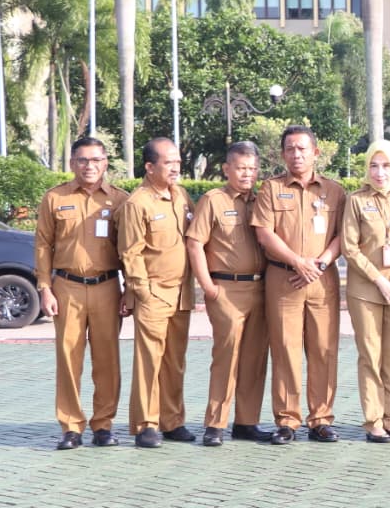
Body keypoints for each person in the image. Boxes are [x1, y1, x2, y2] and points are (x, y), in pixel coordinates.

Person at [251, 125, 346, 445]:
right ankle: (287, 420)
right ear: (282, 154)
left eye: (303, 148)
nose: (297, 154)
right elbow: (264, 233)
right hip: (284, 279)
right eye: (290, 149)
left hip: (322, 278)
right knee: (285, 350)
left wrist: (320, 262)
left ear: (315, 153)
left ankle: (321, 419)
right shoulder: (271, 188)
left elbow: (343, 235)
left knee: (323, 349)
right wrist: (297, 261)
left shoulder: (334, 191)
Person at [36, 137, 131, 450]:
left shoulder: (120, 200)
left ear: (105, 163)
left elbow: (129, 249)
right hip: (67, 288)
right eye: (83, 160)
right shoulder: (55, 198)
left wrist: (129, 290)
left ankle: (103, 425)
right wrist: (45, 288)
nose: (90, 166)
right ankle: (71, 427)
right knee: (68, 359)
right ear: (72, 163)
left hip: (107, 287)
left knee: (107, 361)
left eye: (96, 160)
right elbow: (43, 245)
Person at [185, 141, 272, 447]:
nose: (247, 174)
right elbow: (195, 243)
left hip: (260, 288)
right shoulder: (213, 200)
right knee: (227, 355)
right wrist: (207, 287)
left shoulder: (262, 200)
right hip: (226, 289)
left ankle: (247, 422)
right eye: (241, 168)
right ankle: (215, 423)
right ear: (226, 169)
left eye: (252, 168)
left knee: (254, 358)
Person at [119, 138, 195, 448]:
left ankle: (172, 421)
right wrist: (142, 292)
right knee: (149, 361)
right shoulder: (137, 203)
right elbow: (130, 252)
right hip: (153, 293)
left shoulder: (181, 196)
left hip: (181, 294)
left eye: (177, 161)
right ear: (150, 167)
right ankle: (146, 424)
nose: (175, 167)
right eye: (168, 162)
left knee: (175, 362)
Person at [341, 140, 390, 443]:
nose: (380, 172)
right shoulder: (356, 200)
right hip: (366, 292)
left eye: (386, 166)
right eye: (374, 165)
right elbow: (349, 247)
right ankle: (373, 421)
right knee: (370, 356)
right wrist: (379, 280)